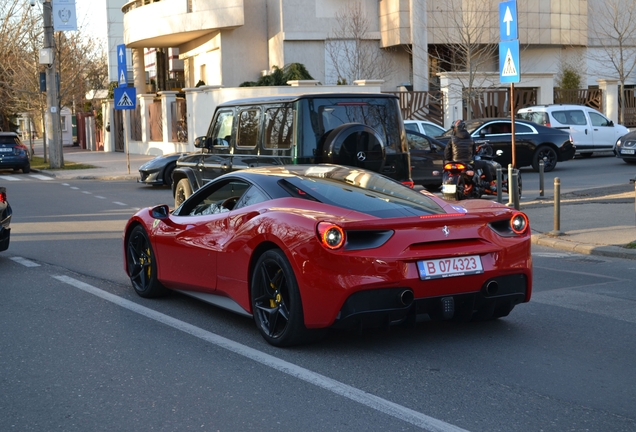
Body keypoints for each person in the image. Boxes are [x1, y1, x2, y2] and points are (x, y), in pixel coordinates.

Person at [444, 119, 495, 190]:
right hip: (468, 163)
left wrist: (450, 160)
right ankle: (491, 183)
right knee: (484, 164)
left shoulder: (452, 139)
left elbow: (447, 154)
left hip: (455, 163)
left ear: (455, 129)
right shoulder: (470, 138)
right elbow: (473, 153)